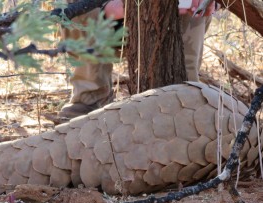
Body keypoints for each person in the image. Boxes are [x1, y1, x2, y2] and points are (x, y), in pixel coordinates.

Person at [58, 0, 216, 121]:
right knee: (74, 11)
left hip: (171, 19)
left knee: (195, 7)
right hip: (108, 19)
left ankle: (182, 101)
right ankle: (90, 98)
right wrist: (110, 7)